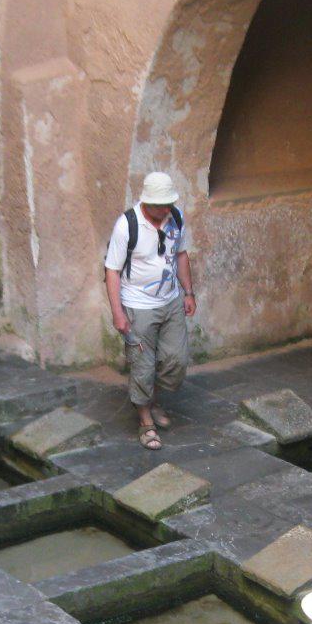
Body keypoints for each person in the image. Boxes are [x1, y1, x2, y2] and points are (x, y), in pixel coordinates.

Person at [103, 171, 197, 451]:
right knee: (142, 365)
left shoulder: (175, 217)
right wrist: (118, 313)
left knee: (176, 361)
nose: (166, 210)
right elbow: (112, 270)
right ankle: (146, 421)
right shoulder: (127, 225)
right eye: (160, 206)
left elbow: (180, 254)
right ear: (146, 202)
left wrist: (188, 292)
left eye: (169, 204)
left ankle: (151, 400)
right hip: (137, 307)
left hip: (169, 301)